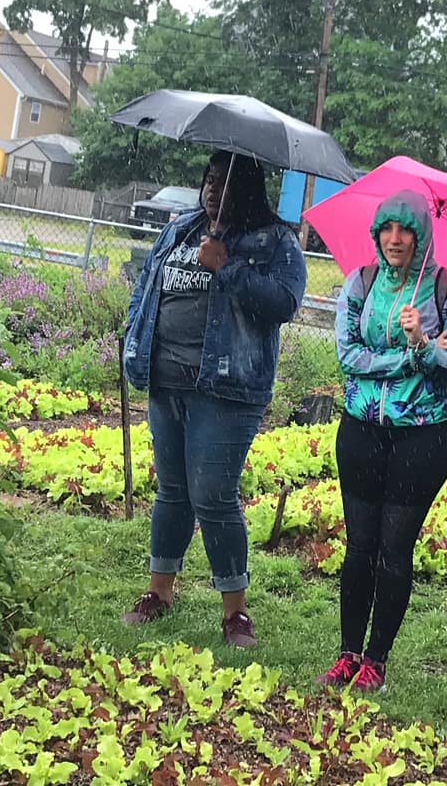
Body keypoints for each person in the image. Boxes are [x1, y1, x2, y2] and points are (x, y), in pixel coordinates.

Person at [118, 151, 306, 649]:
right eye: (209, 178)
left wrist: (228, 268)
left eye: (225, 183)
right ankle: (160, 592)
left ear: (246, 189)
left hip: (226, 390)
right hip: (167, 383)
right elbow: (146, 288)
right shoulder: (180, 229)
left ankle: (235, 613)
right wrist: (132, 338)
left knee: (214, 495)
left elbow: (284, 303)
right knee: (172, 491)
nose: (212, 189)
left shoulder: (274, 241)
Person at [317, 190, 447, 694]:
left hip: (422, 440)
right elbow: (349, 357)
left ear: (420, 235)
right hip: (361, 431)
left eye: (404, 230)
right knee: (358, 548)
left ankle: (376, 660)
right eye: (386, 229)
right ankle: (346, 653)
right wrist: (411, 361)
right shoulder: (359, 284)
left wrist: (422, 343)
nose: (394, 239)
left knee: (393, 550)